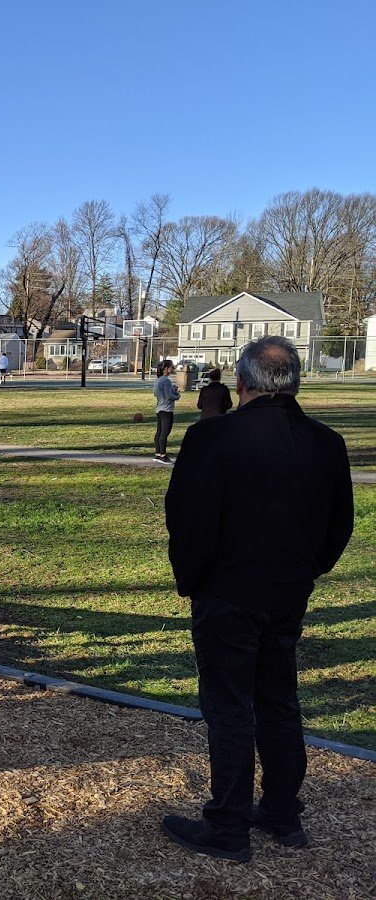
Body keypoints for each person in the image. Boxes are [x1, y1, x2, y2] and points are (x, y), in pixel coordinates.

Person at [162, 336, 353, 863]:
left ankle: (227, 824)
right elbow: (340, 527)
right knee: (277, 698)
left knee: (230, 707)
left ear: (241, 384)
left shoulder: (211, 438)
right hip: (286, 590)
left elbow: (187, 519)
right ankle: (282, 813)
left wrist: (194, 580)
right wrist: (307, 570)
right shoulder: (326, 443)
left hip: (228, 591)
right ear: (293, 382)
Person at [153, 359, 180, 463]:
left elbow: (156, 393)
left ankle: (157, 453)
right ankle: (163, 455)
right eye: (171, 367)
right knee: (165, 432)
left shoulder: (158, 380)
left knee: (159, 432)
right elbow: (169, 396)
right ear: (166, 369)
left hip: (159, 408)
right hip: (166, 409)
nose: (173, 369)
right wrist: (177, 395)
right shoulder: (166, 380)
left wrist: (171, 389)